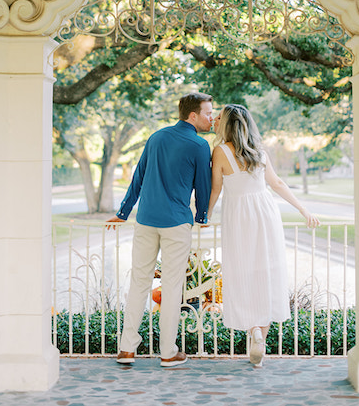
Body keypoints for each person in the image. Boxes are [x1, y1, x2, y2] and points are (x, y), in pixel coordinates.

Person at [206, 104, 319, 367]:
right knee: (266, 272)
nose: (215, 119)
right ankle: (261, 339)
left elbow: (215, 190)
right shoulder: (259, 153)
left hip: (238, 216)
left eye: (219, 117)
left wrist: (205, 217)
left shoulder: (221, 152)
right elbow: (277, 184)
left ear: (228, 124)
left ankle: (253, 330)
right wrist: (304, 209)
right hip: (265, 214)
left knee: (242, 271)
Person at [106, 92, 213, 367]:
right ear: (193, 115)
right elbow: (203, 186)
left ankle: (126, 350)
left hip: (145, 221)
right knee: (172, 286)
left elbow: (138, 177)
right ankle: (168, 352)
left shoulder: (156, 137)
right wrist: (201, 215)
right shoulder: (200, 146)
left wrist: (123, 212)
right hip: (176, 223)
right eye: (208, 113)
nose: (211, 118)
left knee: (138, 283)